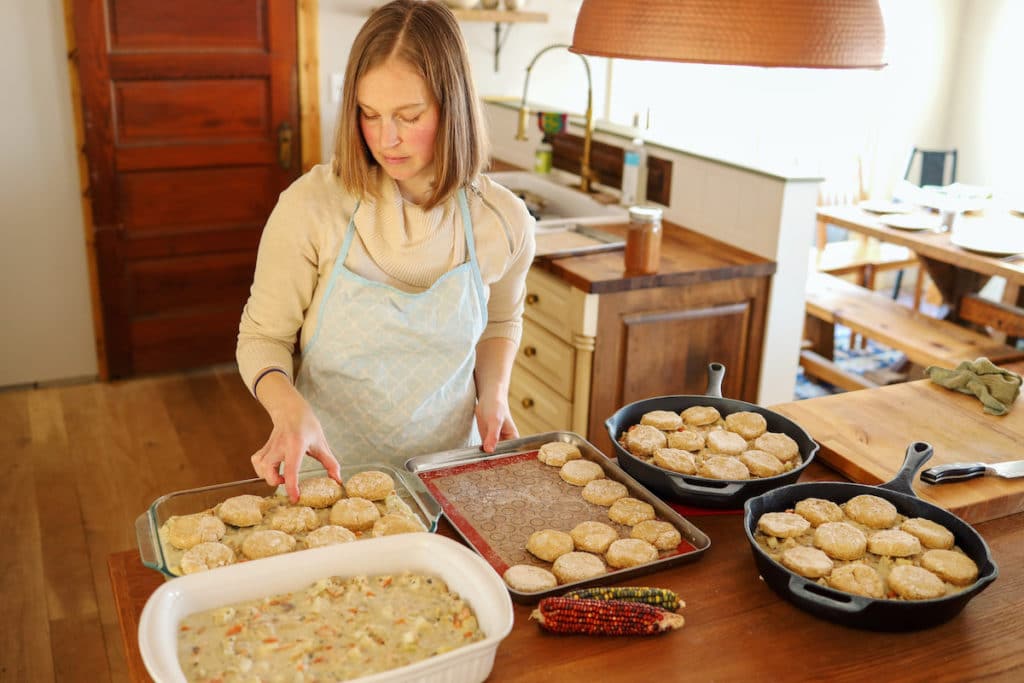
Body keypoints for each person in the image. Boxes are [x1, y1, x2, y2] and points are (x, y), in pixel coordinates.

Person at [237, 0, 535, 501]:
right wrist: (288, 409)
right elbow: (261, 337)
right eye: (369, 114)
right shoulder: (312, 208)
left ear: (453, 106)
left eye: (409, 115)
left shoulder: (502, 221)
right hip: (328, 484)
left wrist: (495, 396)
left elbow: (501, 322)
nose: (385, 138)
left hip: (449, 480)